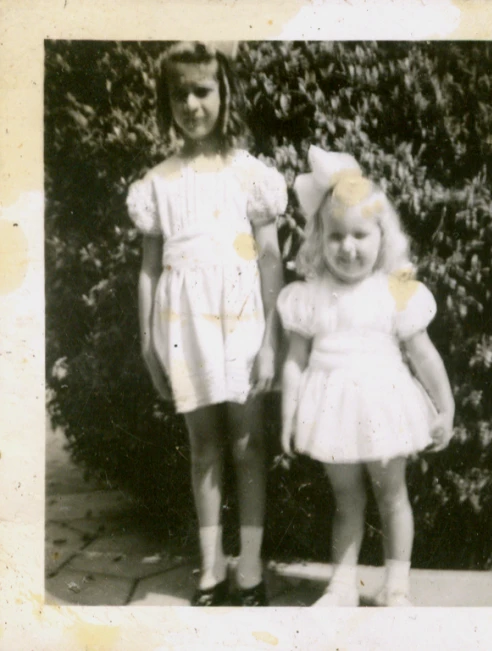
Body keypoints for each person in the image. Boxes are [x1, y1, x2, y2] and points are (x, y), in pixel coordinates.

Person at [126, 41, 286, 606]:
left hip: (242, 317)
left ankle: (249, 568)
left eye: (203, 90)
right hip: (183, 323)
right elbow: (149, 269)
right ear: (166, 101)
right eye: (180, 93)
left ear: (225, 93)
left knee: (247, 440)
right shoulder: (159, 183)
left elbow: (270, 261)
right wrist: (148, 341)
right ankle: (211, 568)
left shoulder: (250, 175)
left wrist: (271, 341)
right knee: (203, 448)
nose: (192, 104)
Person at [278, 146, 455, 607]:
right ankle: (342, 586)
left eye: (360, 234)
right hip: (331, 409)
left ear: (382, 236)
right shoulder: (309, 296)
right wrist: (288, 415)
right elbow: (295, 362)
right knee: (346, 499)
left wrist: (446, 406)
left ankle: (396, 584)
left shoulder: (393, 292)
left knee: (392, 494)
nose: (349, 247)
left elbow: (424, 354)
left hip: (383, 405)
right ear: (320, 238)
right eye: (336, 236)